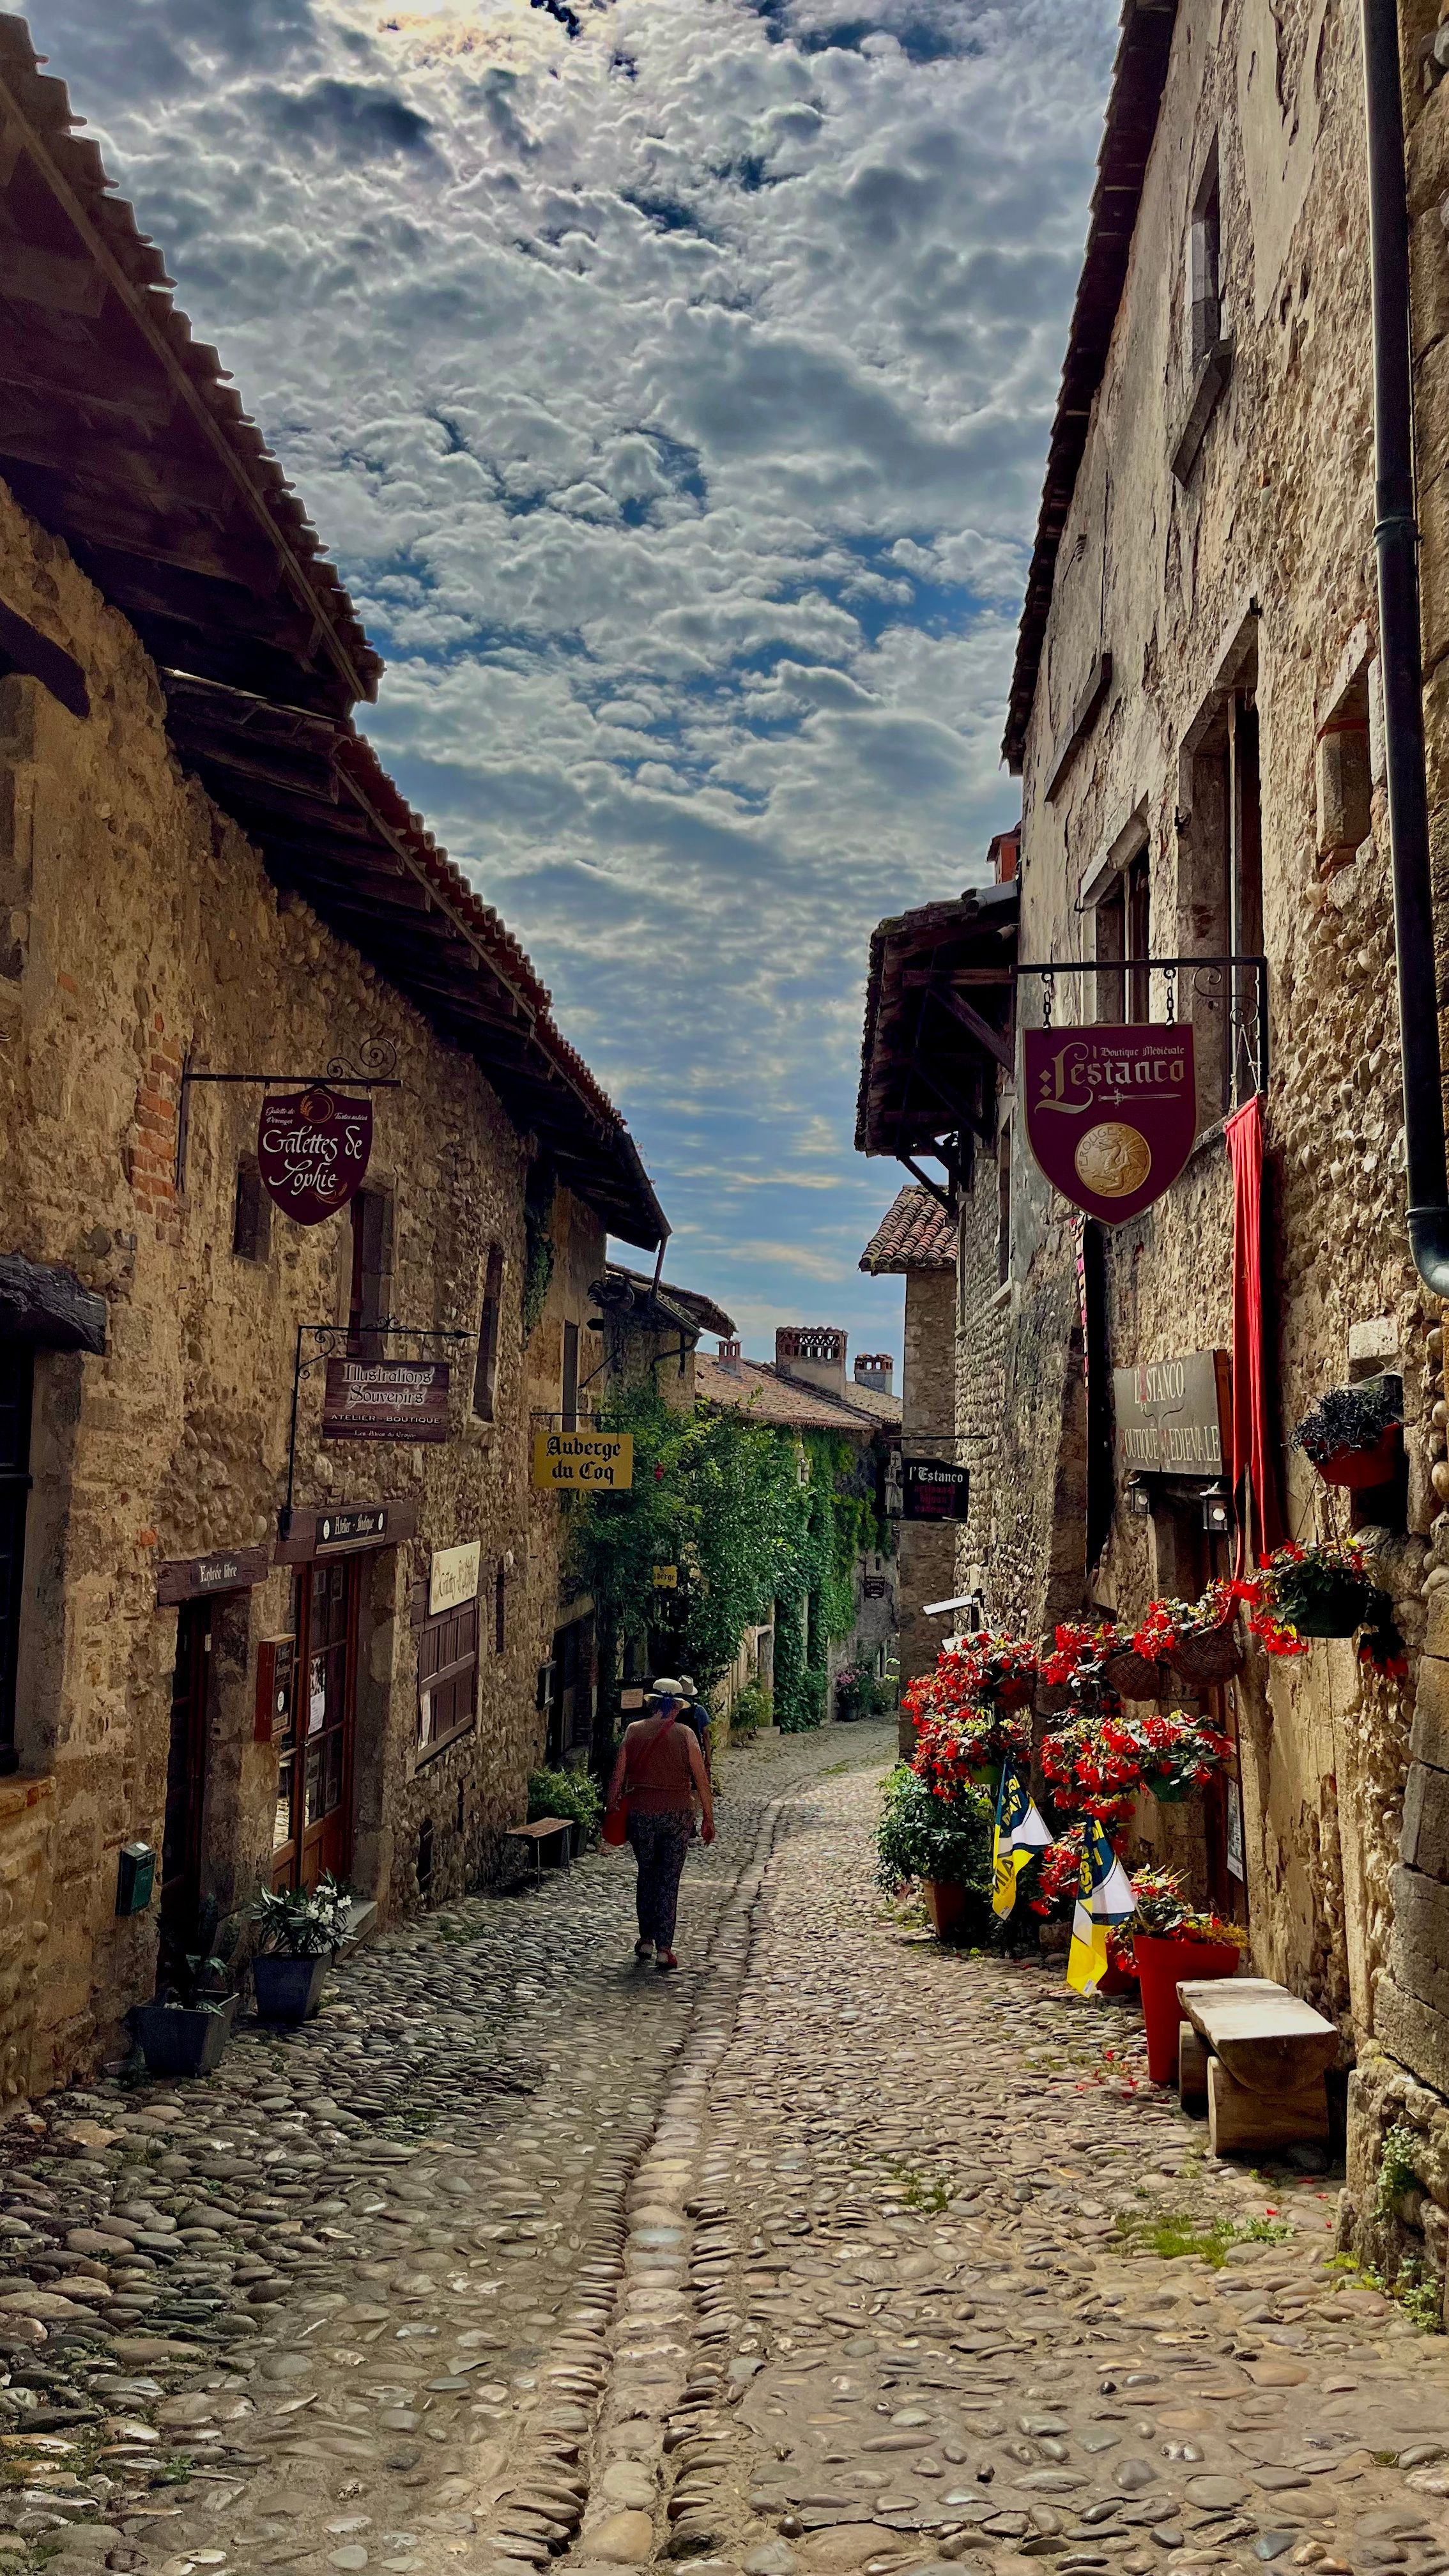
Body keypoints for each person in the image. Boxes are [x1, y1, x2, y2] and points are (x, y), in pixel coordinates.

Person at [608, 1678, 714, 1970]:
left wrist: (611, 1806)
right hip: (677, 1816)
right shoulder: (686, 1735)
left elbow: (618, 1776)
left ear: (653, 1704)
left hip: (641, 1814)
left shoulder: (633, 1731)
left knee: (647, 1875)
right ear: (677, 1708)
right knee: (669, 1880)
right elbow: (701, 1779)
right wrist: (708, 1817)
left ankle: (645, 1939)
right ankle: (665, 1948)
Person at [675, 1675, 712, 1775]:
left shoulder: (672, 1708)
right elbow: (705, 1735)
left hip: (675, 1749)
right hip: (694, 1749)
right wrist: (708, 1758)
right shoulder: (699, 1710)